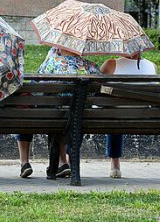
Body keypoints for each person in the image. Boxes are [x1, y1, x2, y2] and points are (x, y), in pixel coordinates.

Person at [16, 46, 100, 179]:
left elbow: (34, 88)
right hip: (80, 119)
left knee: (37, 110)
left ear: (61, 48)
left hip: (55, 118)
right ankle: (63, 163)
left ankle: (29, 162)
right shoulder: (92, 67)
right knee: (69, 117)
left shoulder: (51, 64)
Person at [100, 52, 157, 178]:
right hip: (143, 116)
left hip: (116, 117)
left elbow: (97, 89)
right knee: (116, 113)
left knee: (113, 113)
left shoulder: (111, 64)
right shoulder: (152, 66)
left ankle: (115, 164)